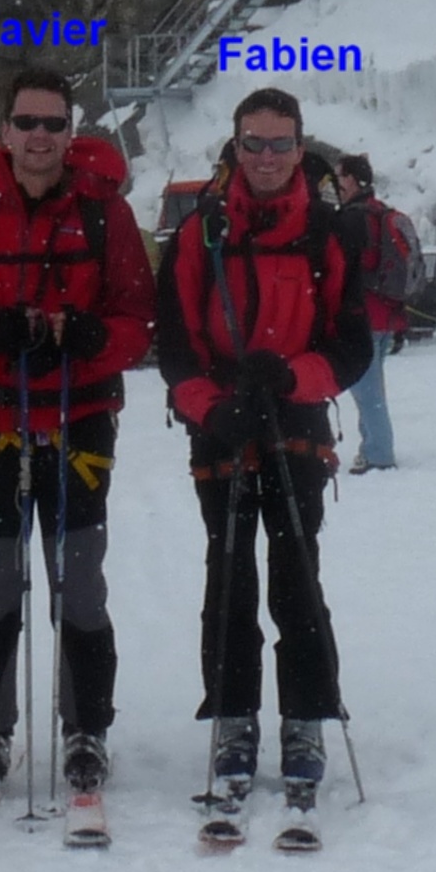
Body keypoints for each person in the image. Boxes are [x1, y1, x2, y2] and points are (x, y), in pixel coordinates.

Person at [0, 68, 156, 794]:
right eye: (27, 122)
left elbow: (136, 317)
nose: (40, 136)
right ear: (5, 131)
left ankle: (87, 728)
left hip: (80, 420)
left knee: (78, 582)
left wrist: (89, 337)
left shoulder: (106, 214)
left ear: (70, 132)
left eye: (54, 123)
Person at [153, 87, 371, 809]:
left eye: (280, 144)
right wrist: (214, 408)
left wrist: (291, 377)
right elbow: (177, 346)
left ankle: (305, 715)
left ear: (300, 149)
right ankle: (234, 716)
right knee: (229, 575)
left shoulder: (329, 232)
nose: (267, 157)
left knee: (296, 573)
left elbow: (351, 346)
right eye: (254, 143)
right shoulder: (200, 234)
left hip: (296, 421)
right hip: (224, 424)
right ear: (236, 146)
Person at [335, 153, 403, 474]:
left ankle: (379, 453)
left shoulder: (353, 218)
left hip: (364, 316)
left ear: (351, 180)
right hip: (387, 313)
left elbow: (348, 269)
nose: (336, 183)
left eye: (340, 177)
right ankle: (371, 446)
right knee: (372, 387)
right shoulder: (381, 212)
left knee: (367, 391)